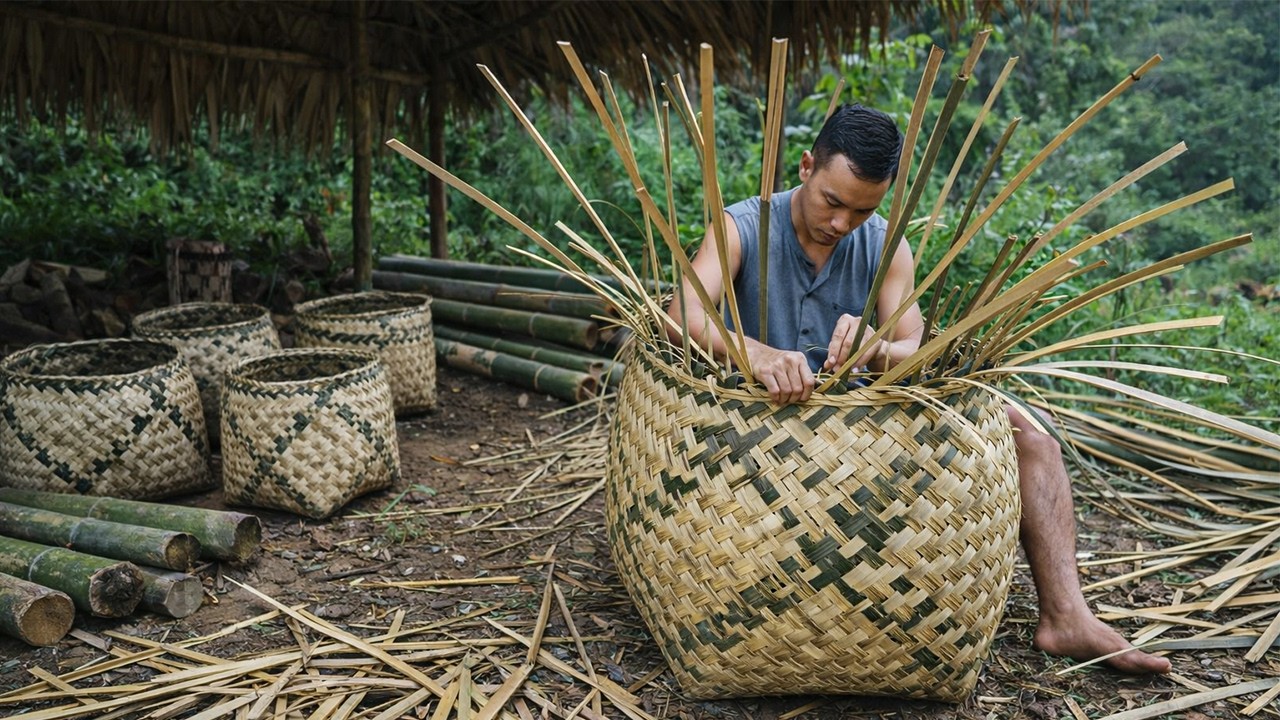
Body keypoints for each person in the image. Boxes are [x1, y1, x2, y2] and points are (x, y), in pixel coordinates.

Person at [665, 103, 1172, 675]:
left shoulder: (885, 244)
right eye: (832, 202)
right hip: (759, 425)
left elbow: (920, 348)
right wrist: (755, 354)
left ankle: (1066, 616)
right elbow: (680, 316)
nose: (841, 224)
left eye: (862, 210)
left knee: (1034, 438)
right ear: (807, 167)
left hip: (863, 431)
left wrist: (878, 348)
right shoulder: (742, 227)